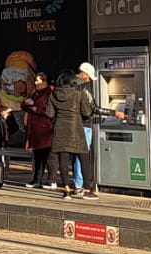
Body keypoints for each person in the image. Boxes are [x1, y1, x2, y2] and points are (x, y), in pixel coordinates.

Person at [50, 63, 107, 200]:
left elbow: (49, 113)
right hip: (76, 127)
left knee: (63, 159)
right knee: (83, 157)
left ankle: (67, 190)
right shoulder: (79, 92)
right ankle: (87, 189)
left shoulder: (53, 94)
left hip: (60, 128)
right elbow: (87, 111)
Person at [24, 73, 57, 189]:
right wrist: (28, 104)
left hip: (46, 128)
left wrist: (34, 107)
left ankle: (51, 180)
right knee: (38, 156)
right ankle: (37, 179)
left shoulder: (49, 93)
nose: (35, 83)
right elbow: (24, 104)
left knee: (49, 156)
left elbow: (47, 110)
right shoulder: (35, 93)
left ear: (44, 81)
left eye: (38, 81)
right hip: (35, 128)